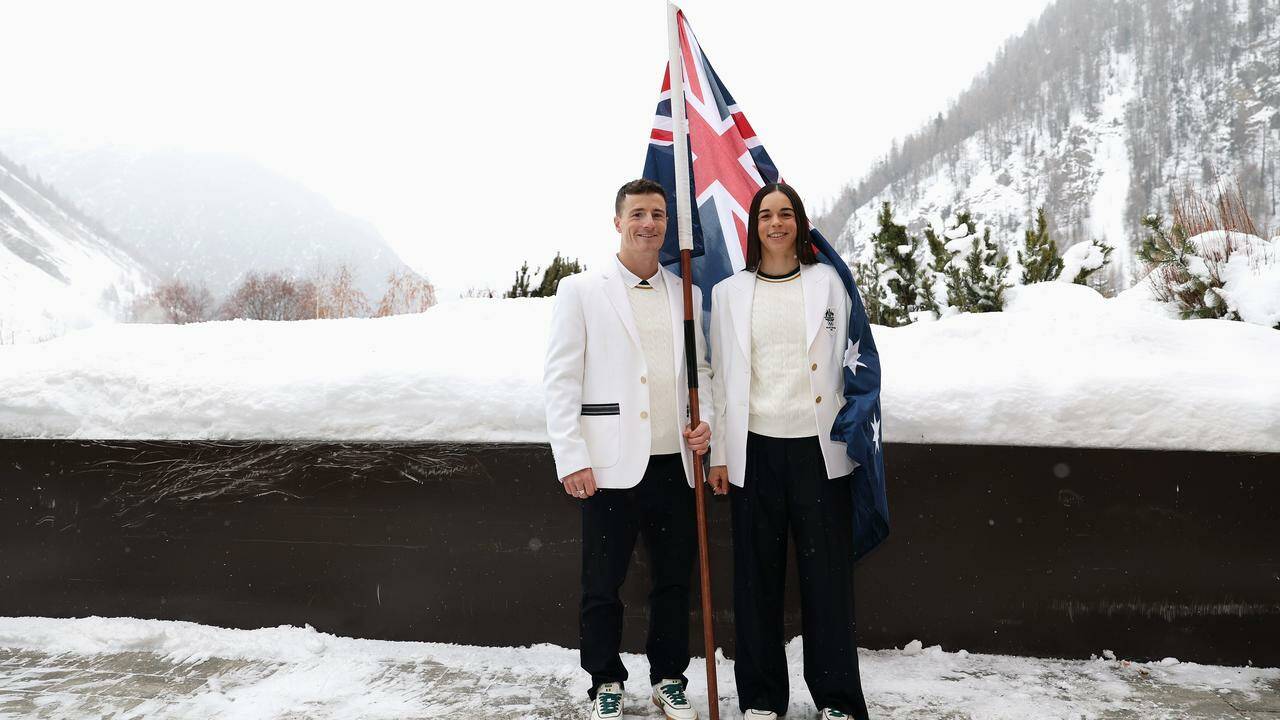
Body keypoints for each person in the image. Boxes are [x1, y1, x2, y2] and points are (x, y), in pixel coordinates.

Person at [543, 178, 714, 720]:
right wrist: (572, 456)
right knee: (603, 583)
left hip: (676, 465)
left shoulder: (688, 291)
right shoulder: (581, 291)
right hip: (609, 465)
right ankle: (605, 682)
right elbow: (561, 379)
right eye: (638, 213)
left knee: (672, 580)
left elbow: (701, 370)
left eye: (658, 214)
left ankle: (668, 677)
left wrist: (704, 420)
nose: (649, 223)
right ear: (617, 222)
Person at [706, 182, 871, 720]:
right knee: (756, 583)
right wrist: (721, 457)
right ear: (753, 227)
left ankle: (838, 700)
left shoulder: (829, 284)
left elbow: (854, 361)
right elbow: (721, 379)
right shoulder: (728, 293)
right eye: (765, 215)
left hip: (820, 455)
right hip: (755, 453)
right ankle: (759, 699)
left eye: (786, 214)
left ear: (800, 223)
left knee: (826, 585)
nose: (776, 224)